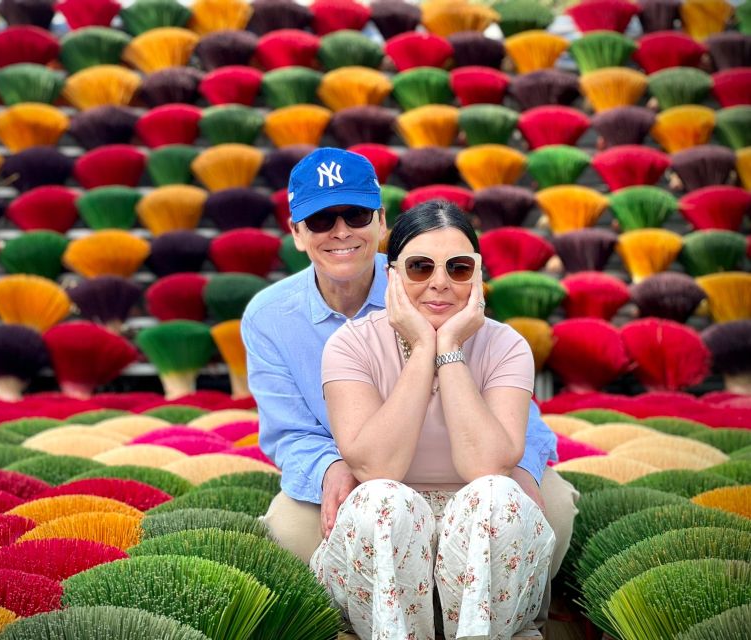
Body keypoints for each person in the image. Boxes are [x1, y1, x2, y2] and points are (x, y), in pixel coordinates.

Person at [241, 148, 578, 628]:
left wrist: (517, 466)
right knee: (291, 528)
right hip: (361, 465)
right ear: (297, 234)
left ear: (380, 223)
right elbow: (288, 429)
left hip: (464, 461)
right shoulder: (270, 317)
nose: (340, 232)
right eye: (319, 221)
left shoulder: (429, 274)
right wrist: (329, 467)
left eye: (355, 215)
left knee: (553, 507)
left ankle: (507, 615)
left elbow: (504, 386)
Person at [312, 200, 554, 639]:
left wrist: (450, 350)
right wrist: (422, 349)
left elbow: (488, 466)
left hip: (481, 525)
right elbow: (376, 468)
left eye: (458, 268)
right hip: (387, 528)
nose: (439, 283)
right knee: (382, 501)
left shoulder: (507, 346)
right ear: (393, 276)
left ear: (477, 277)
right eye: (420, 267)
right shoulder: (350, 345)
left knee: (496, 495)